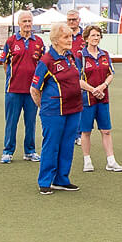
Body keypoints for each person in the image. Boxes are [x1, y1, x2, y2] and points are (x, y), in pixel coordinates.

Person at [29, 22, 98, 194]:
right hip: (54, 111)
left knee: (67, 146)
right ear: (55, 40)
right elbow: (34, 89)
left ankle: (61, 179)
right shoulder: (46, 61)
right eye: (65, 37)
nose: (70, 40)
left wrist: (91, 89)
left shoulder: (70, 57)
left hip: (74, 109)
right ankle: (45, 181)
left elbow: (76, 80)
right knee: (51, 145)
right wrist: (44, 107)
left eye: (71, 36)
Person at [0, 11, 46, 163]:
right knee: (11, 122)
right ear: (18, 23)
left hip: (32, 90)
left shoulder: (39, 42)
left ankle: (30, 151)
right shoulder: (11, 41)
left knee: (31, 122)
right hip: (13, 90)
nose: (27, 24)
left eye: (29, 21)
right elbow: (5, 63)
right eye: (24, 21)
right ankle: (8, 151)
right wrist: (12, 78)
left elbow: (43, 64)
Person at [75, 25, 122, 172]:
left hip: (103, 99)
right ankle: (87, 160)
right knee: (86, 131)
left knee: (106, 130)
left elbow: (110, 74)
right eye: (93, 35)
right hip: (86, 100)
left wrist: (102, 87)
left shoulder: (105, 54)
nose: (96, 38)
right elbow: (77, 79)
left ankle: (111, 161)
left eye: (98, 35)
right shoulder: (80, 56)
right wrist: (93, 90)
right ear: (86, 38)